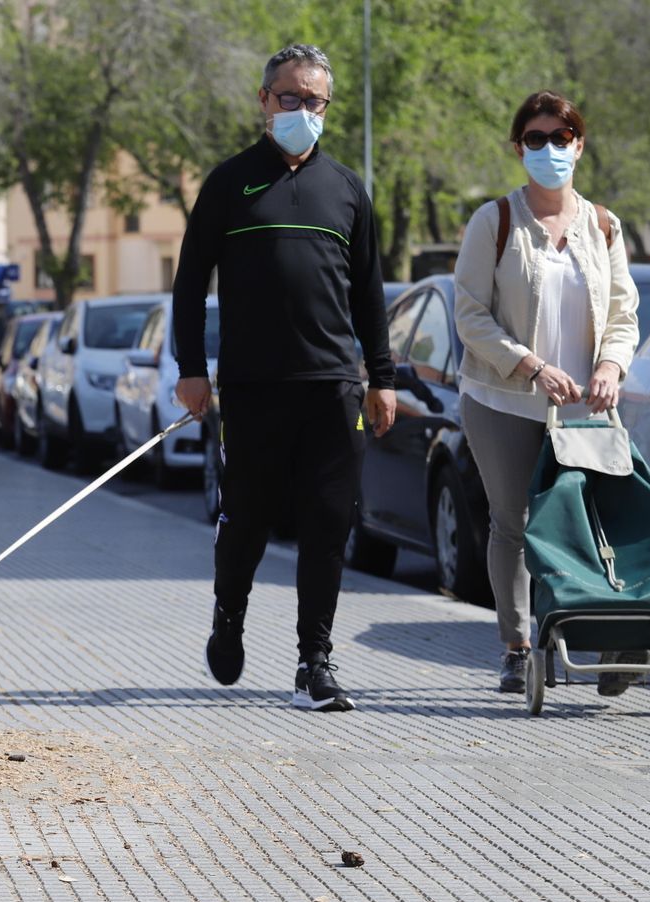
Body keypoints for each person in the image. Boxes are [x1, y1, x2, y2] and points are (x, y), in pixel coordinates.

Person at [172, 43, 396, 712]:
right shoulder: (228, 182)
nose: (302, 110)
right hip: (251, 388)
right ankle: (229, 617)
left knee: (329, 526)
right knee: (247, 522)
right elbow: (189, 285)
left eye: (314, 101)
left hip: (333, 386)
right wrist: (191, 371)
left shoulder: (348, 189)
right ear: (265, 102)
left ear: (328, 108)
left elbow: (370, 293)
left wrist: (381, 377)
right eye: (289, 98)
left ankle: (315, 662)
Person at [452, 90, 639, 695]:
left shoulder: (604, 225)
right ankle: (517, 646)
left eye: (562, 139)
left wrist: (611, 366)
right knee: (514, 522)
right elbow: (470, 316)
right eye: (536, 139)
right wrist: (530, 366)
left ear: (580, 145)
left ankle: (611, 643)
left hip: (586, 405)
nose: (550, 150)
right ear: (518, 148)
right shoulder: (495, 221)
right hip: (504, 400)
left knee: (602, 520)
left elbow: (622, 313)